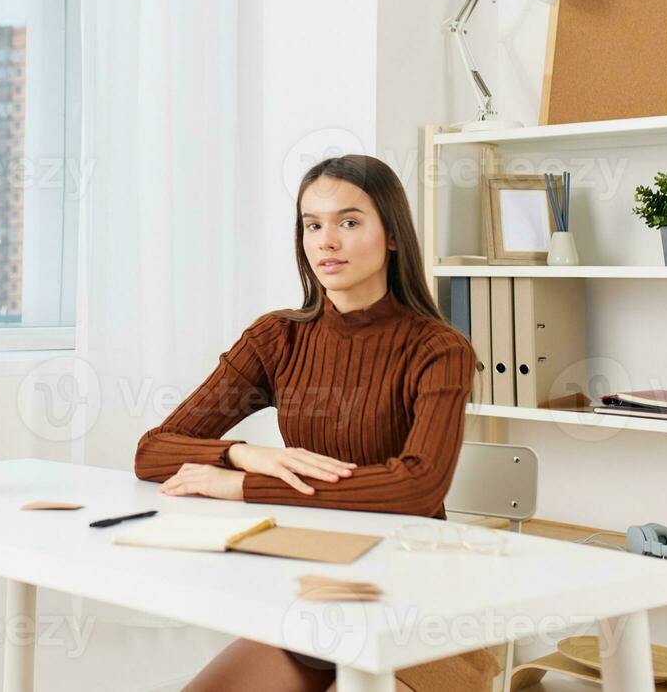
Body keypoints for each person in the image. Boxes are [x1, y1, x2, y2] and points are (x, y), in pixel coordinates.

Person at [133, 154, 501, 692]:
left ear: (391, 235)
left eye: (349, 222)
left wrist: (242, 486)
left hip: (417, 603)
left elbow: (416, 488)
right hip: (314, 593)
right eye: (313, 224)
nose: (327, 241)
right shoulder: (276, 338)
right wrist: (243, 454)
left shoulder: (438, 349)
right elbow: (152, 451)